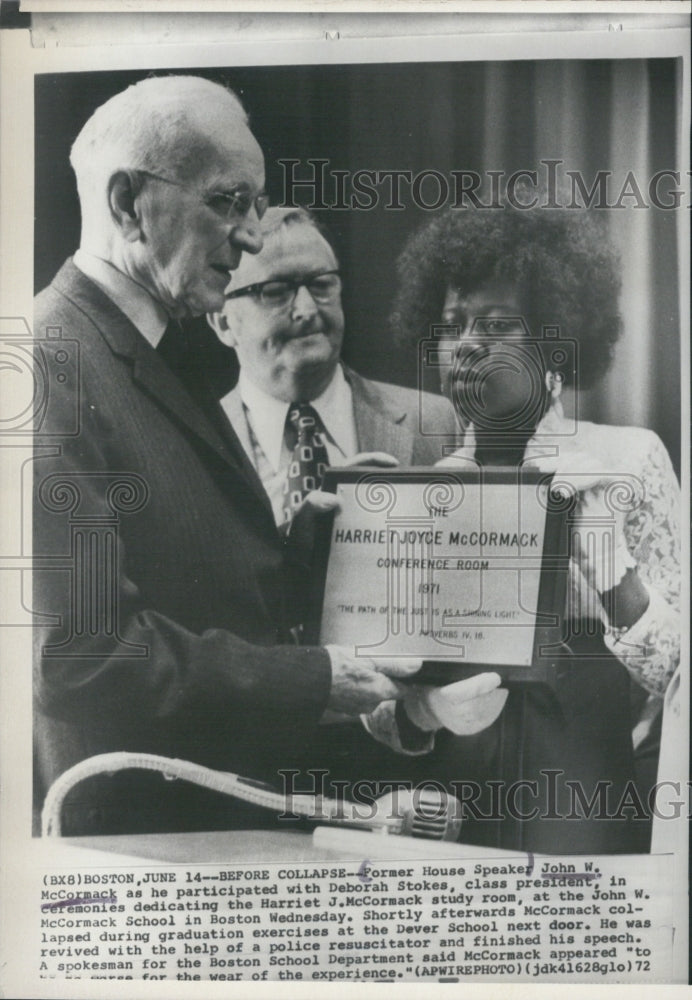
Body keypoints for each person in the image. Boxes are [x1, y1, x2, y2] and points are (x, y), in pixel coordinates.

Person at [32, 76, 426, 836]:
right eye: (228, 201)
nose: (250, 236)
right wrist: (312, 677)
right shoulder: (50, 362)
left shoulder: (155, 347)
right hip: (140, 853)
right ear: (126, 205)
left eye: (255, 204)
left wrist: (304, 551)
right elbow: (82, 657)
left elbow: (185, 585)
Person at [380, 202, 680, 853]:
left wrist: (607, 563)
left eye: (495, 324)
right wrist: (425, 710)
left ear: (553, 338)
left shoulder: (626, 460)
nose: (465, 344)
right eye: (452, 324)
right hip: (450, 810)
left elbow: (678, 674)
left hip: (582, 801)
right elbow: (380, 706)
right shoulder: (420, 484)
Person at [207, 206, 458, 526]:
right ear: (223, 323)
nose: (307, 309)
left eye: (321, 284)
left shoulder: (435, 422)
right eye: (275, 292)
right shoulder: (197, 445)